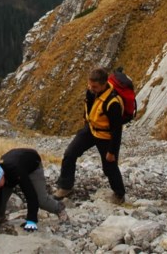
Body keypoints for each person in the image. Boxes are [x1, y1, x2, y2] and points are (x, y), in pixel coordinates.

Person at [54, 67, 126, 204]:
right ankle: (65, 186)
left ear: (104, 84)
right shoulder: (91, 91)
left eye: (95, 86)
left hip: (106, 136)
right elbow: (88, 108)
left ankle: (119, 194)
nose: (91, 88)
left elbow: (117, 131)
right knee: (70, 153)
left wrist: (111, 151)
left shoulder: (113, 103)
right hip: (91, 129)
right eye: (90, 85)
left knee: (109, 166)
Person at [0, 148, 67, 236]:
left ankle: (59, 208)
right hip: (12, 167)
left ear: (1, 175)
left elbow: (30, 194)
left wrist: (31, 220)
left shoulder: (16, 170)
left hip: (32, 164)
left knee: (41, 200)